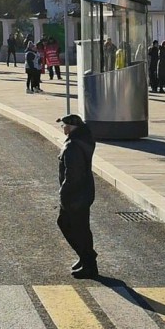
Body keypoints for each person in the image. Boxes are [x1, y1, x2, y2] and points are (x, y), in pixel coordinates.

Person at [56, 113, 98, 279]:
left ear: (72, 127)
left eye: (64, 125)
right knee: (82, 228)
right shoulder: (82, 139)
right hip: (83, 192)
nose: (62, 128)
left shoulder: (73, 146)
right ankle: (85, 258)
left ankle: (89, 262)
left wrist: (63, 194)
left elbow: (72, 175)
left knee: (68, 225)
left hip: (74, 195)